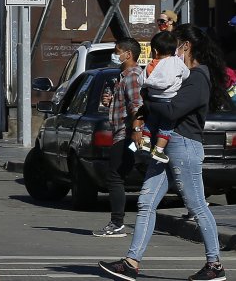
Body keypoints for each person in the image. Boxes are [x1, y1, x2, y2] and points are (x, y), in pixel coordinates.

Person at [99, 24, 228, 281]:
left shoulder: (198, 76)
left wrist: (146, 100)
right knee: (146, 202)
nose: (172, 51)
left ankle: (215, 265)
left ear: (186, 46)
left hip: (184, 145)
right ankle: (131, 262)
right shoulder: (180, 74)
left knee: (197, 205)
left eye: (176, 44)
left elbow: (171, 111)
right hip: (165, 146)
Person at [92, 37, 142, 239]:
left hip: (126, 136)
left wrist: (136, 130)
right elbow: (127, 102)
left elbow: (136, 105)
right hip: (123, 135)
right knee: (120, 172)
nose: (116, 54)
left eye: (117, 51)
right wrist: (111, 100)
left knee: (115, 176)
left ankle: (117, 222)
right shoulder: (124, 76)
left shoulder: (131, 76)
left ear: (128, 54)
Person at [132, 31, 190, 163]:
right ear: (175, 49)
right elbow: (186, 75)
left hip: (152, 101)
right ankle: (158, 150)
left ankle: (146, 143)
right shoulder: (176, 62)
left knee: (151, 121)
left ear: (155, 51)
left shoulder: (152, 64)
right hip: (168, 102)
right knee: (166, 127)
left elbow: (141, 80)